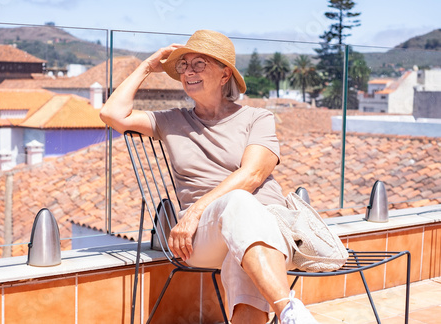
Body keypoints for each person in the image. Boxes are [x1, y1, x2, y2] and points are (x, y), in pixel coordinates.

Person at [100, 30, 318, 324]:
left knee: (242, 256)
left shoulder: (257, 118)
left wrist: (194, 210)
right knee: (239, 205)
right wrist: (148, 66)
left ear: (225, 74)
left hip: (268, 230)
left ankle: (290, 314)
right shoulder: (170, 120)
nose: (188, 71)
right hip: (202, 237)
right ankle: (289, 311)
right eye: (183, 65)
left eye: (199, 63)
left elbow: (253, 174)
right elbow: (112, 114)